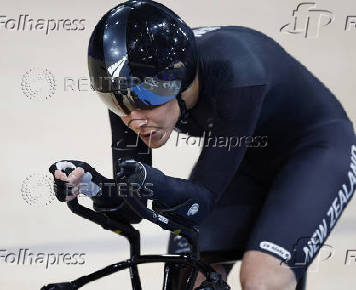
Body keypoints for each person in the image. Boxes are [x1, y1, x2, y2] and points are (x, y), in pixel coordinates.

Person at [49, 0, 356, 289]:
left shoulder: (237, 74)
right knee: (185, 277)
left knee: (262, 278)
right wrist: (93, 186)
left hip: (315, 151)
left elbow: (200, 203)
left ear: (180, 79)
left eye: (147, 100)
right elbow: (131, 209)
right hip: (244, 162)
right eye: (118, 104)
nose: (134, 120)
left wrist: (152, 183)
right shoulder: (129, 93)